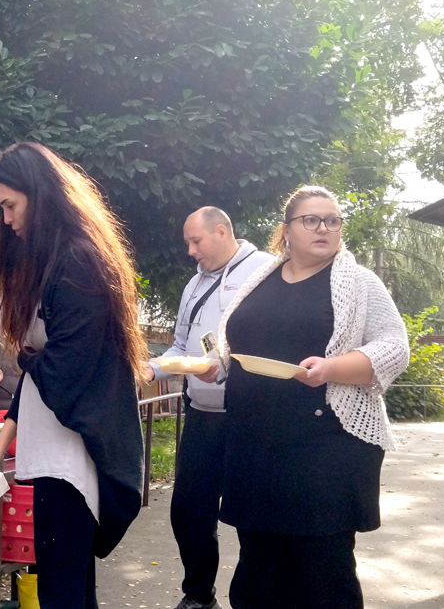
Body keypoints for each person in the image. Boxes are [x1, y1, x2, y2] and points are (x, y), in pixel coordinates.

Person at [205, 185, 409, 609]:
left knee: (322, 573)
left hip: (324, 448)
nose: (324, 228)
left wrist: (332, 369)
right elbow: (240, 341)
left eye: (332, 221)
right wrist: (217, 364)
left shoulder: (358, 281)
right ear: (286, 230)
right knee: (258, 569)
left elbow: (395, 347)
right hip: (253, 448)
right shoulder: (261, 279)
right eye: (311, 220)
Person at [0, 142, 147, 609]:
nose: (6, 219)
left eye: (11, 205)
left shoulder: (78, 260)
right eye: (1, 208)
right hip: (54, 457)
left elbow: (63, 371)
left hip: (72, 462)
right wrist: (1, 444)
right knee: (69, 591)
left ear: (40, 194)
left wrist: (25, 357)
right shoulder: (55, 261)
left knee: (62, 594)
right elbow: (39, 377)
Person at [146, 207, 272, 609]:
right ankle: (199, 596)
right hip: (201, 414)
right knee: (188, 510)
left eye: (195, 240)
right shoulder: (194, 284)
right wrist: (151, 369)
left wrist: (226, 367)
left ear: (221, 231)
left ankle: (253, 598)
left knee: (252, 516)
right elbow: (180, 347)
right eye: (188, 242)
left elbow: (274, 345)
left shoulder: (266, 270)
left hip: (251, 416)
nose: (190, 250)